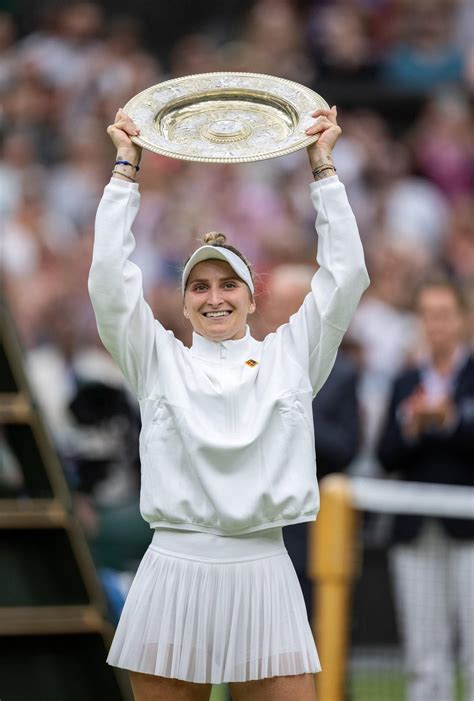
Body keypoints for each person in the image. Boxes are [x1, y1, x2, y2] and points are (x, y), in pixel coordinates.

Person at [88, 104, 370, 701]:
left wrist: (323, 171)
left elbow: (344, 277)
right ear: (184, 301)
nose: (213, 297)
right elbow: (110, 283)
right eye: (199, 286)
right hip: (173, 569)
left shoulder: (291, 356)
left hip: (264, 570)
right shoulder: (156, 358)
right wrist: (124, 172)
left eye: (226, 284)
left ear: (250, 296)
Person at [377, 276, 474, 701]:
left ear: (463, 320)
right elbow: (384, 454)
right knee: (423, 648)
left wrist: (450, 421)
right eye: (428, 316)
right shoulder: (404, 381)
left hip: (469, 530)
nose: (436, 325)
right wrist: (412, 426)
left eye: (445, 315)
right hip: (416, 530)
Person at [262, 263, 361, 618]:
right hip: (257, 516)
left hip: (313, 525)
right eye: (273, 303)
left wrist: (293, 414)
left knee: (315, 625)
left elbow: (346, 449)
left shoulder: (342, 371)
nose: (277, 313)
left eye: (289, 304)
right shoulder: (251, 359)